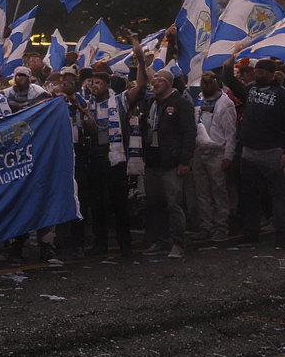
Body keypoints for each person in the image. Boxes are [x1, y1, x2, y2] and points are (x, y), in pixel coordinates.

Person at [229, 58, 285, 249]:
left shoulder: (284, 95)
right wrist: (229, 59)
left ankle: (282, 235)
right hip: (249, 150)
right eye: (255, 72)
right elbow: (230, 81)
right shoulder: (250, 90)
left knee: (278, 194)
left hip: (272, 151)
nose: (257, 75)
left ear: (270, 74)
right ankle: (252, 233)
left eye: (260, 72)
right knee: (249, 194)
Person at [137, 71, 197, 258]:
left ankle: (178, 243)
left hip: (171, 162)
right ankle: (161, 241)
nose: (156, 83)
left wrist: (184, 161)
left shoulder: (181, 104)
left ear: (170, 83)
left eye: (161, 80)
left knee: (174, 205)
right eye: (155, 80)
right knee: (155, 203)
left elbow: (189, 133)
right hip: (153, 161)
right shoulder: (152, 103)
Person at [76, 72, 132, 257]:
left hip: (114, 159)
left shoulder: (119, 102)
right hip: (95, 159)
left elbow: (138, 89)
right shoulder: (87, 104)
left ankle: (125, 244)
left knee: (119, 205)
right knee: (97, 205)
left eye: (99, 83)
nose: (94, 86)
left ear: (107, 84)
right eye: (92, 83)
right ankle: (101, 244)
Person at [192, 71, 237, 242]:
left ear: (217, 83)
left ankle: (221, 225)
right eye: (204, 82)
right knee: (202, 192)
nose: (206, 85)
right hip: (200, 151)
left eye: (210, 82)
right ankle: (206, 226)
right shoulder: (198, 99)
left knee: (219, 191)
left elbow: (231, 132)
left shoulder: (226, 103)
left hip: (218, 152)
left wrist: (228, 155)